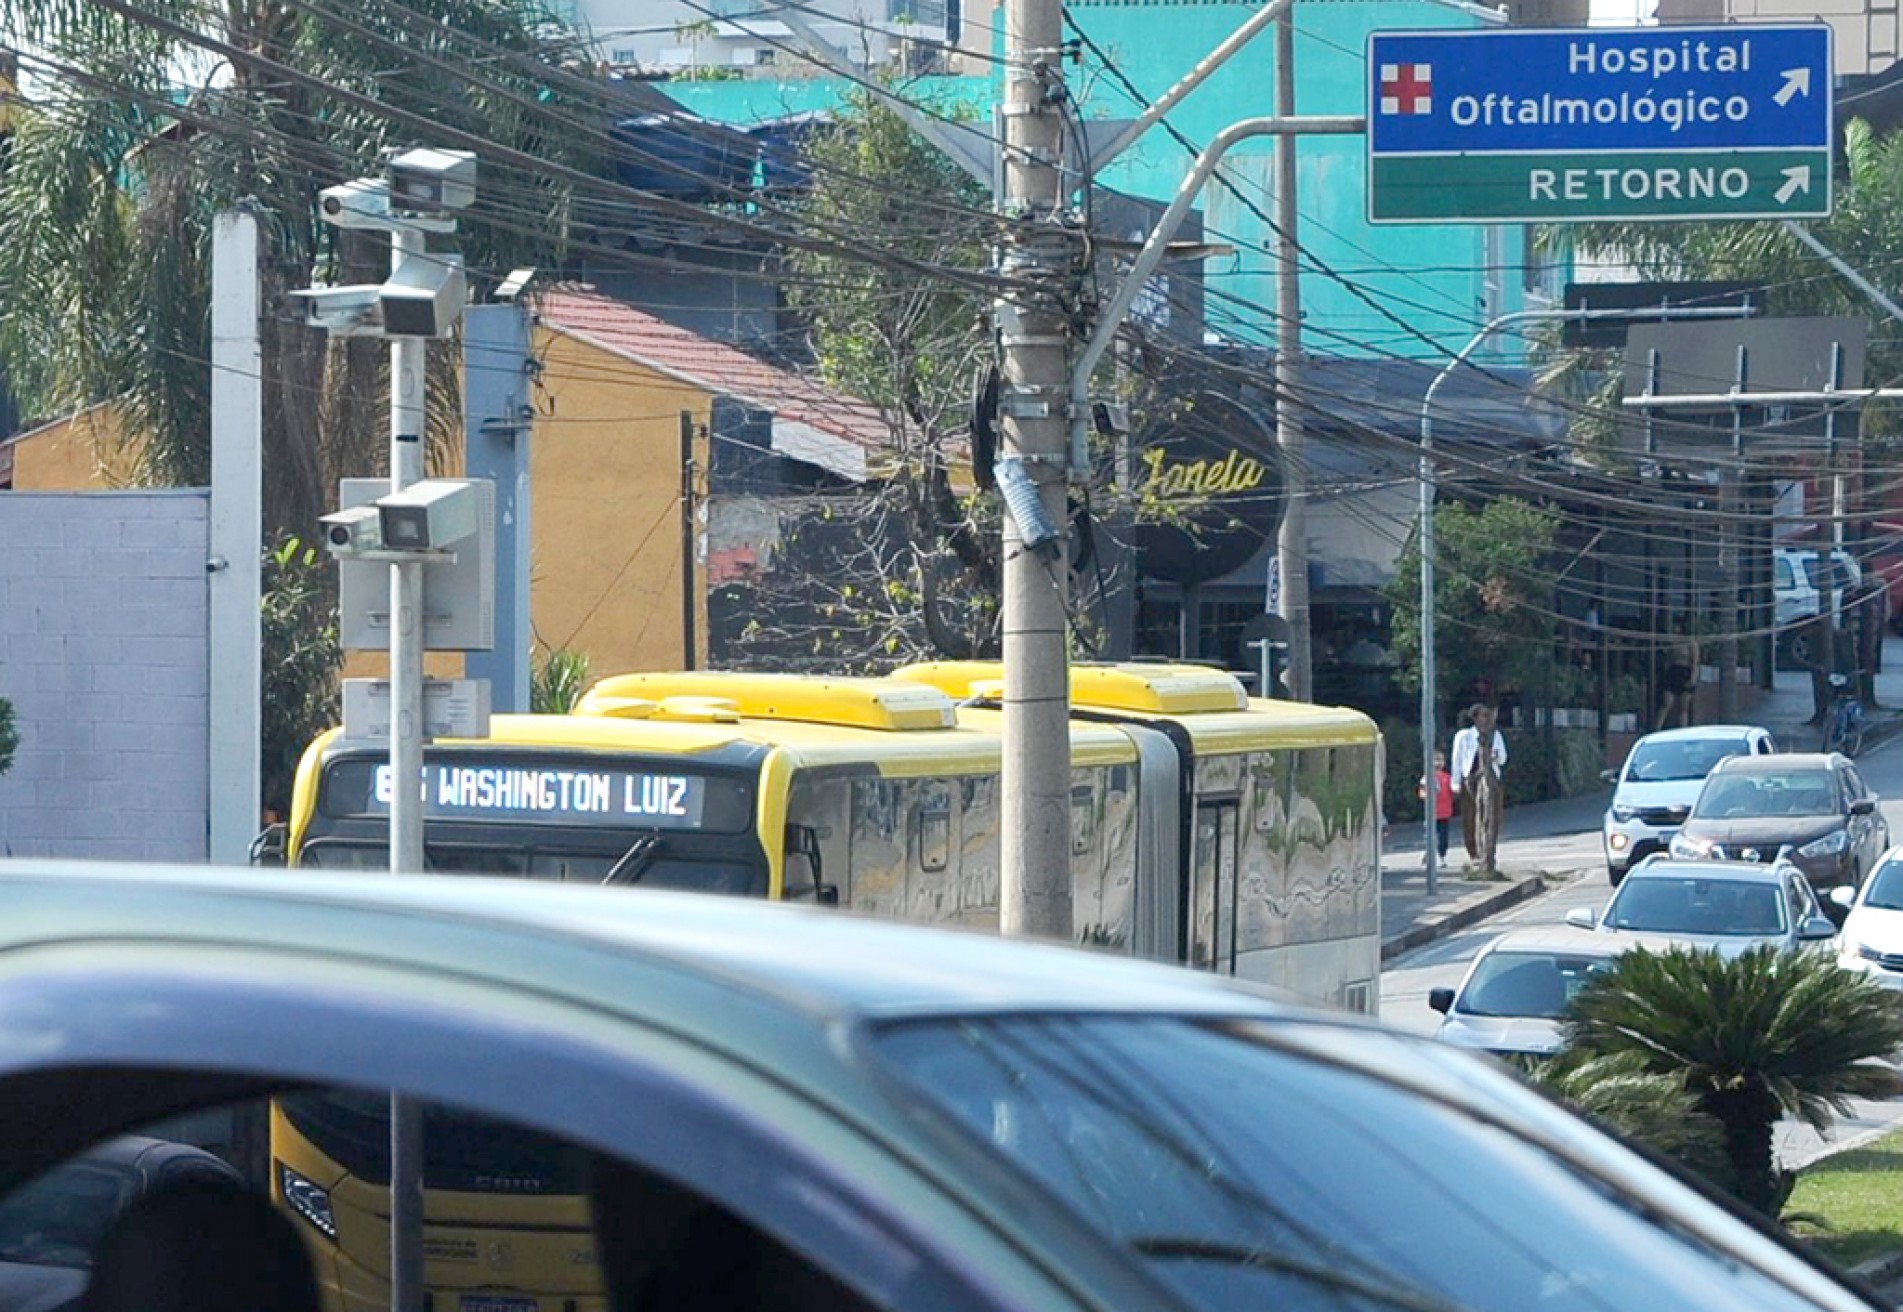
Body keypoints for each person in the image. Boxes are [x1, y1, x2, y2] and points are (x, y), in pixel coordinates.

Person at [1450, 704, 1508, 873]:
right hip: (1471, 779)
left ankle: (1489, 851)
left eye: (1488, 716)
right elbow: (1457, 759)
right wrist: (1455, 782)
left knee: (1493, 816)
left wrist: (1494, 754)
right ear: (1475, 718)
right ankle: (1474, 853)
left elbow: (1503, 758)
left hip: (1491, 778)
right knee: (1470, 817)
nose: (1486, 720)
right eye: (1483, 716)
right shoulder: (1464, 736)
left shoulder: (1495, 735)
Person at [1417, 750, 1454, 862]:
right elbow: (1422, 793)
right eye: (1436, 760)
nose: (1439, 763)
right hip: (1431, 814)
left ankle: (1439, 855)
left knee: (1443, 838)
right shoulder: (1427, 777)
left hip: (1445, 813)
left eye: (1441, 760)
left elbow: (1453, 791)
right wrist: (1427, 794)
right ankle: (1432, 855)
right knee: (1430, 837)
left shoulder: (1447, 777)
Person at [1657, 632, 1698, 730]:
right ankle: (1656, 729)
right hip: (1672, 672)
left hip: (1685, 673)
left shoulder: (1691, 642)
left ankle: (1682, 730)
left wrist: (1693, 677)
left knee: (1683, 707)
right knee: (1666, 703)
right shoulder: (1673, 642)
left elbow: (1695, 662)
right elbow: (1668, 659)